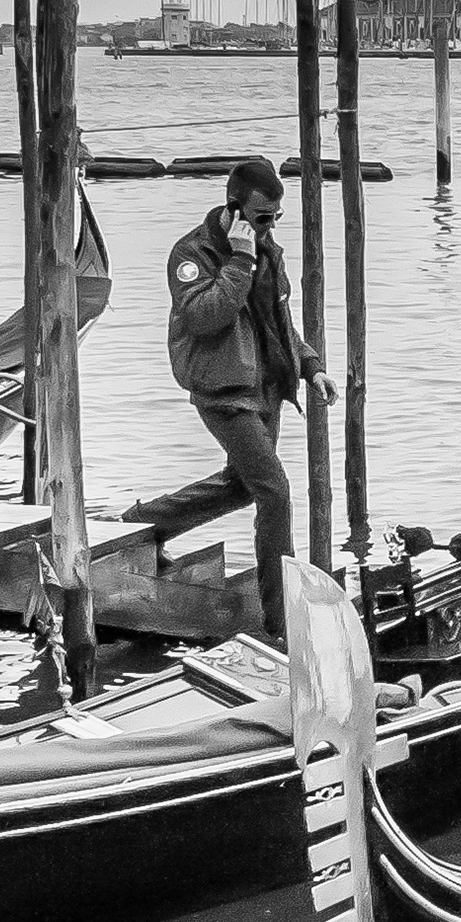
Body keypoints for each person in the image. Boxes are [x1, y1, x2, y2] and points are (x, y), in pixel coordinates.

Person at [153, 157, 327, 634]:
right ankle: (283, 620)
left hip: (266, 388)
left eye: (276, 216)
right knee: (274, 491)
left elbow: (278, 323)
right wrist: (239, 259)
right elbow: (204, 317)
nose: (269, 225)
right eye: (263, 216)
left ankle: (143, 525)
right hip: (222, 391)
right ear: (235, 209)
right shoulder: (192, 253)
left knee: (241, 485)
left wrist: (310, 368)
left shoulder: (267, 249)